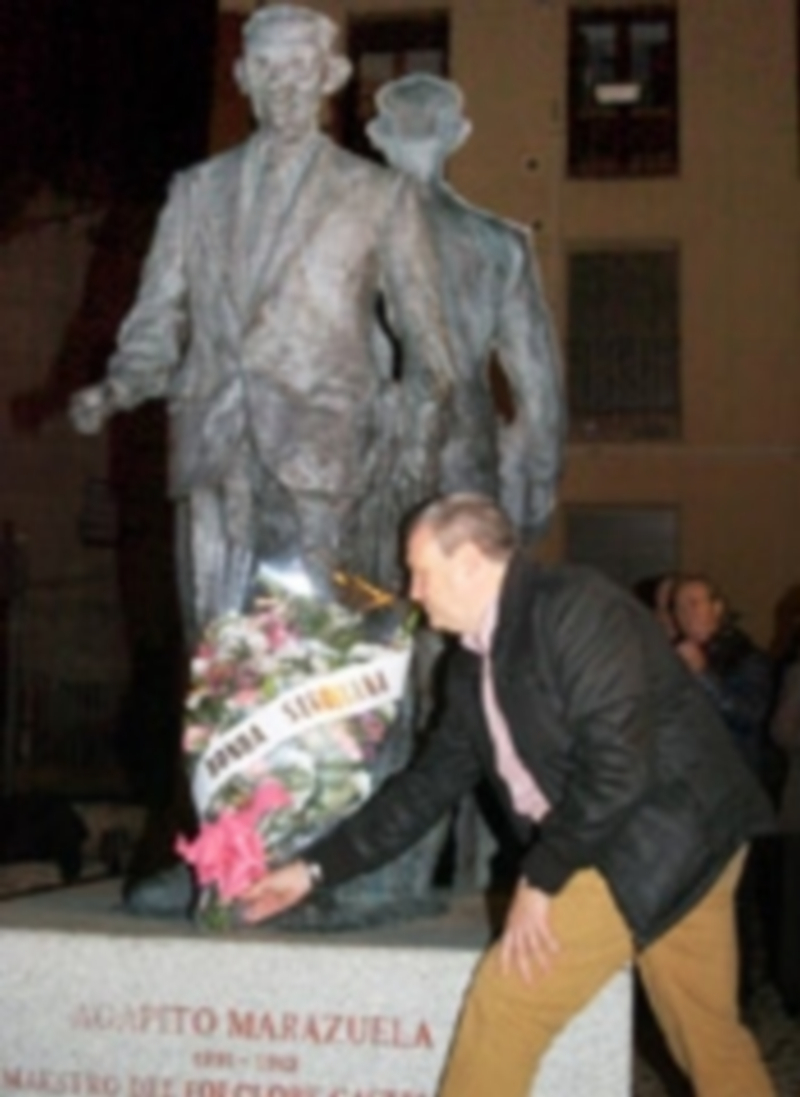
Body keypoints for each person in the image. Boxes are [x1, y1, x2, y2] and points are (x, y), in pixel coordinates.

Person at [241, 492, 776, 1097]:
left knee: (507, 1007)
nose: (413, 591)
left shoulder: (575, 608)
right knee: (708, 1037)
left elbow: (618, 765)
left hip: (659, 835)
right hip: (652, 837)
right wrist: (312, 870)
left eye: (421, 572)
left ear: (470, 561)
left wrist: (542, 878)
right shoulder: (470, 667)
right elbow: (424, 789)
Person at [69, 4, 455, 642]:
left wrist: (418, 436)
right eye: (268, 68)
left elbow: (427, 341)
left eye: (299, 67)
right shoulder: (196, 191)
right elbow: (158, 316)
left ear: (330, 76)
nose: (283, 85)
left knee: (317, 645)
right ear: (243, 78)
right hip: (212, 440)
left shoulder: (379, 195)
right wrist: (118, 387)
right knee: (215, 642)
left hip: (323, 450)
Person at [365, 73, 563, 537]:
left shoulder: (348, 237)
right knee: (462, 570)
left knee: (370, 576)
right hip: (467, 438)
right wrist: (541, 472)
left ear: (379, 137)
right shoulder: (502, 244)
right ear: (457, 135)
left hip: (375, 438)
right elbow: (538, 380)